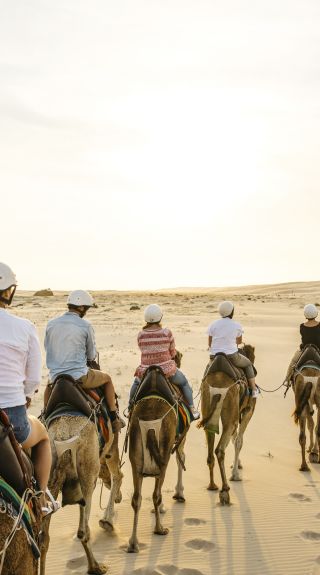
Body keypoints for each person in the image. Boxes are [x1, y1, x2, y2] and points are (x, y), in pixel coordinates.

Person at [0, 262, 59, 515]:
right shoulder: (24, 327)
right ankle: (42, 497)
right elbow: (34, 378)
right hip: (11, 417)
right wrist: (24, 396)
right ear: (8, 291)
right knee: (44, 436)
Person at [44, 290, 124, 432]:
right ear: (81, 307)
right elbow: (91, 355)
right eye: (86, 308)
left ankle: (45, 418)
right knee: (108, 379)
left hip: (55, 377)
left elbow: (47, 347)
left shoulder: (51, 324)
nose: (86, 311)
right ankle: (113, 417)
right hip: (79, 376)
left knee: (48, 385)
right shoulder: (85, 325)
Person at [129, 303, 200, 419]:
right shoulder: (167, 332)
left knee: (136, 384)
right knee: (184, 383)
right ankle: (192, 408)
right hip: (166, 371)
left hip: (146, 371)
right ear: (160, 317)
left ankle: (130, 407)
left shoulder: (141, 335)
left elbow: (142, 349)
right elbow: (172, 352)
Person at [207, 300, 259, 397]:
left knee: (207, 371)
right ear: (231, 312)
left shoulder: (213, 324)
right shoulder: (236, 325)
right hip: (231, 356)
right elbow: (238, 342)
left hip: (214, 356)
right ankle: (253, 389)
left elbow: (210, 343)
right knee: (248, 364)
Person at [285, 303, 320, 384]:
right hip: (318, 350)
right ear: (316, 313)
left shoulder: (302, 326)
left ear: (305, 314)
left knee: (293, 363)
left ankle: (287, 380)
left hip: (304, 351)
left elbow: (304, 339)